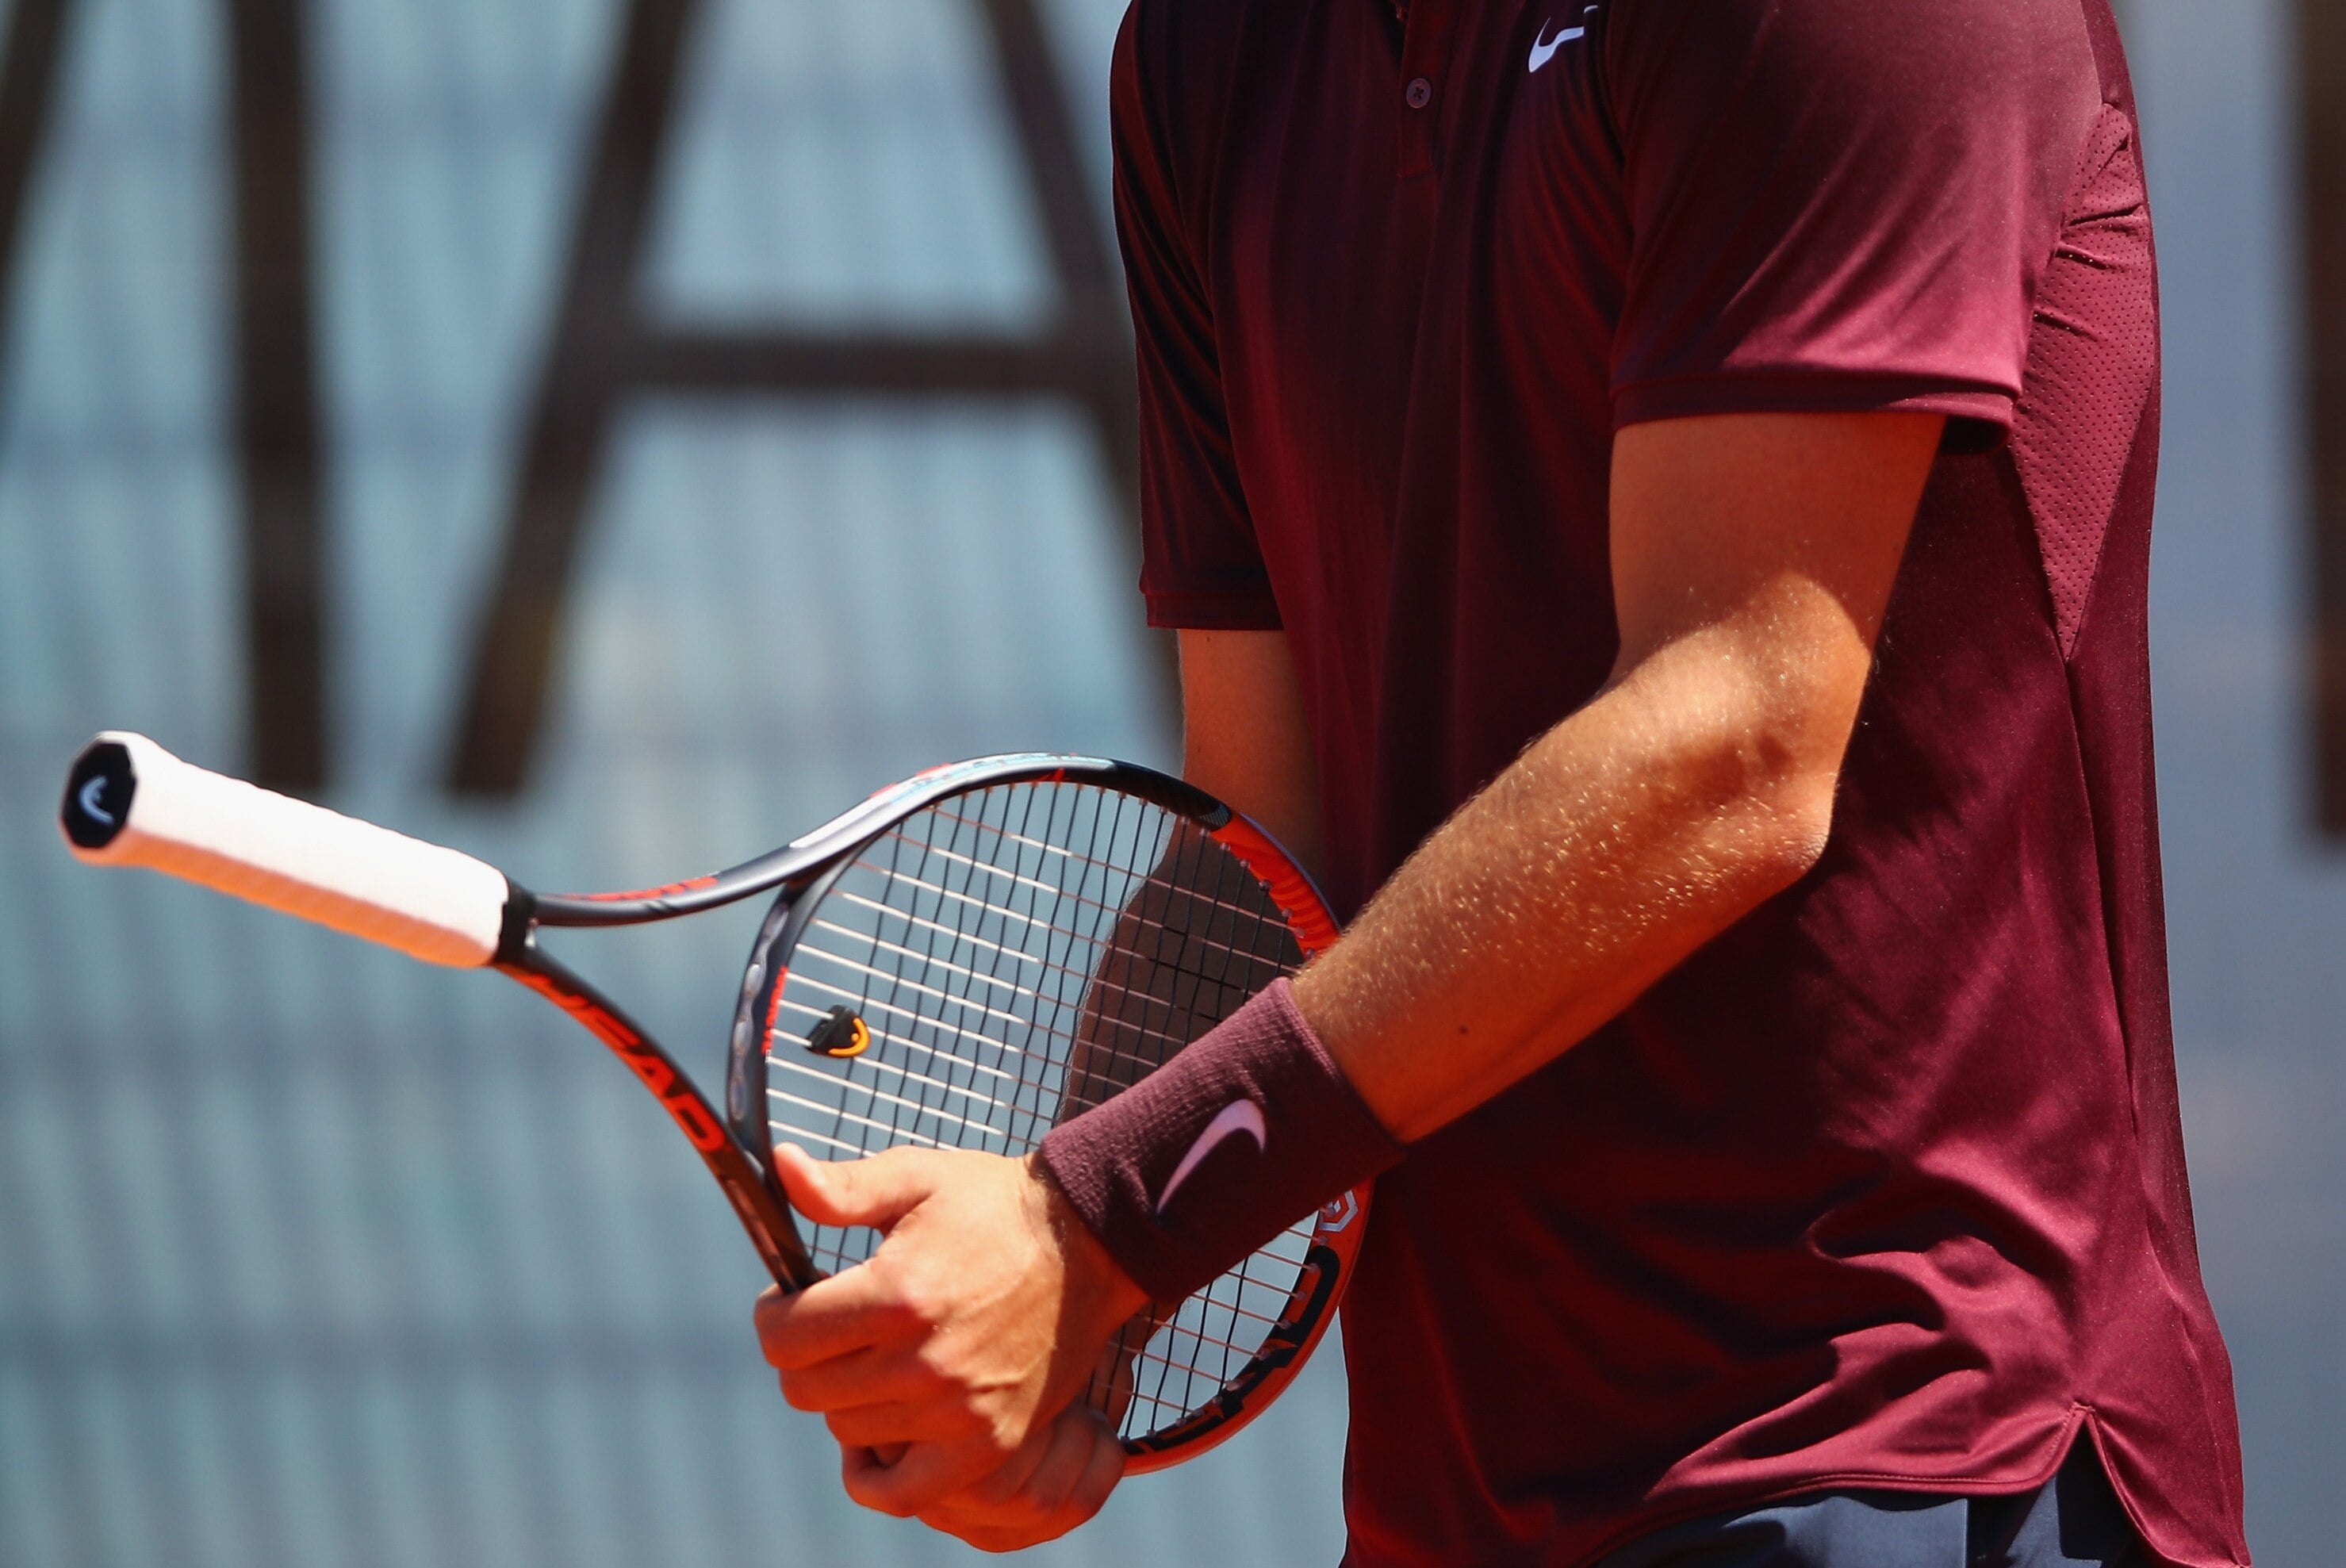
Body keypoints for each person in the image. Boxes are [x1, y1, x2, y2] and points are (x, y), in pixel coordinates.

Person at [752, 0, 2255, 1562]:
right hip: (1448, 1511)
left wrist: (1100, 1223)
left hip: (1909, 1445)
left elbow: (1737, 739)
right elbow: (1261, 842)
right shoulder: (1210, 50)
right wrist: (1085, 1331)